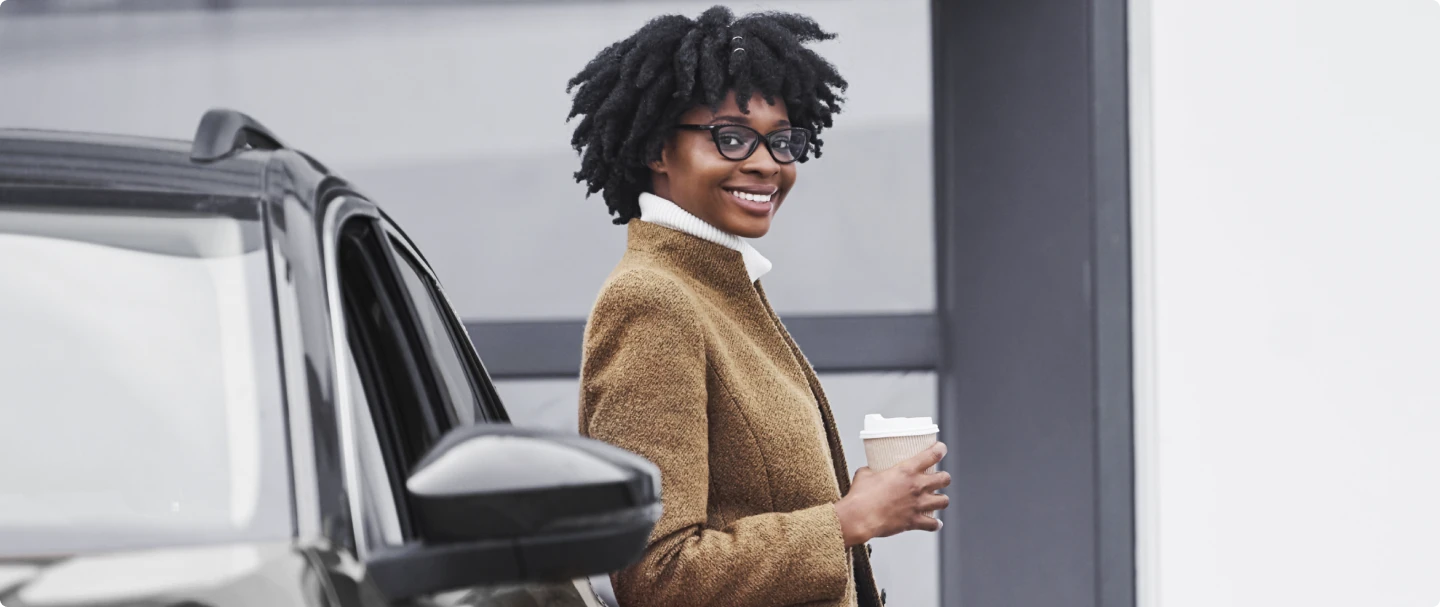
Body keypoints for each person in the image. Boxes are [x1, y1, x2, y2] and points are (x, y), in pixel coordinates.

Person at [568, 6, 950, 607]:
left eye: (782, 140)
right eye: (732, 136)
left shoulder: (720, 283)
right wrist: (846, 521)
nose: (767, 162)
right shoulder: (653, 300)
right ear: (657, 150)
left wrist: (857, 511)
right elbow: (654, 572)